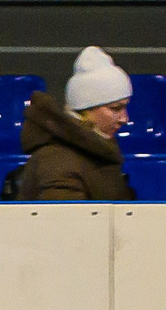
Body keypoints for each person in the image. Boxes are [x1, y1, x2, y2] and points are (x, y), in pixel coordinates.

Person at [13, 45, 135, 201]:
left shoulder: (94, 149)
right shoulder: (58, 163)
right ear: (86, 110)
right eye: (115, 109)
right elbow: (67, 223)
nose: (125, 119)